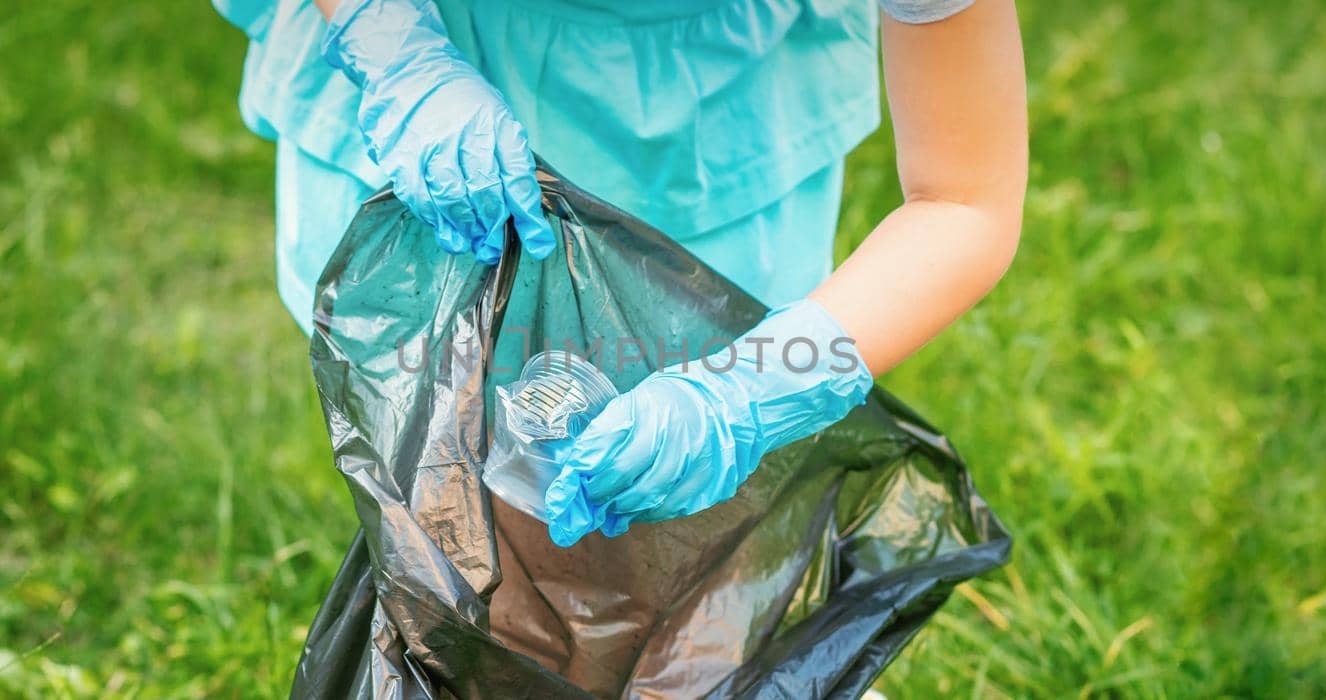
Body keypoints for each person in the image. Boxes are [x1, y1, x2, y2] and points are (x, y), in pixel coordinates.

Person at [214, 0, 1026, 546]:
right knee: (462, 525)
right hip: (435, 96)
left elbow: (965, 198)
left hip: (716, 126)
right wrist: (389, 43)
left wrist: (749, 390)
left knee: (675, 563)